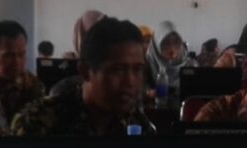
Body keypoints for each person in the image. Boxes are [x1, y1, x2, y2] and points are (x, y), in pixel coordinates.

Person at [11, 17, 154, 136]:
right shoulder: (39, 122)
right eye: (117, 70)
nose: (130, 82)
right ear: (85, 71)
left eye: (137, 69)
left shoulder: (135, 122)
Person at [146, 20, 194, 105]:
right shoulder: (146, 64)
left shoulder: (189, 64)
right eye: (166, 43)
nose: (172, 49)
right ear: (156, 44)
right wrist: (148, 93)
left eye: (176, 42)